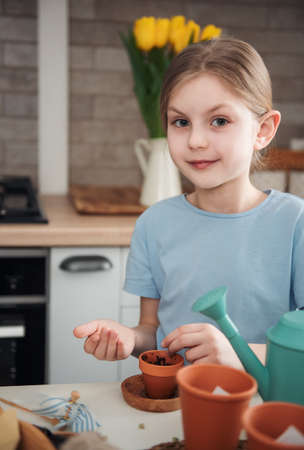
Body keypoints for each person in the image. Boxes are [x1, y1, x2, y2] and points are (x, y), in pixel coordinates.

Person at [74, 37, 304, 369]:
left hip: (266, 413)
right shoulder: (154, 224)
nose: (196, 141)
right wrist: (127, 337)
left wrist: (238, 353)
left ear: (263, 130)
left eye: (219, 121)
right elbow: (152, 334)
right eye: (181, 122)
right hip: (177, 408)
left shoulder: (294, 223)